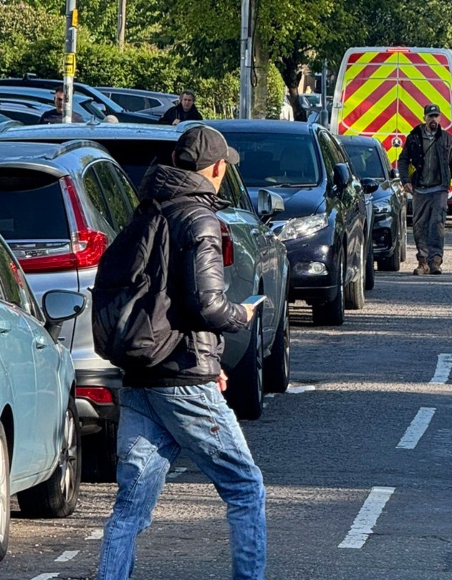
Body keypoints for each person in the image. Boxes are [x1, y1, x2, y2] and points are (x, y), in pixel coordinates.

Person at [96, 126, 266, 580]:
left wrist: (210, 360)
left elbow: (163, 300)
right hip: (183, 379)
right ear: (215, 168)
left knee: (130, 508)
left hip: (140, 375)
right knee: (246, 486)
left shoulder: (147, 211)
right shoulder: (200, 221)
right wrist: (241, 318)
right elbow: (206, 305)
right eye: (224, 164)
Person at [398, 103, 452, 276]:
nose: (433, 119)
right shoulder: (414, 137)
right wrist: (405, 181)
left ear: (440, 118)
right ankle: (423, 262)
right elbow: (402, 160)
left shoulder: (447, 139)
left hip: (439, 189)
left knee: (437, 225)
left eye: (436, 116)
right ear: (424, 117)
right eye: (430, 116)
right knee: (419, 226)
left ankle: (436, 261)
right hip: (420, 189)